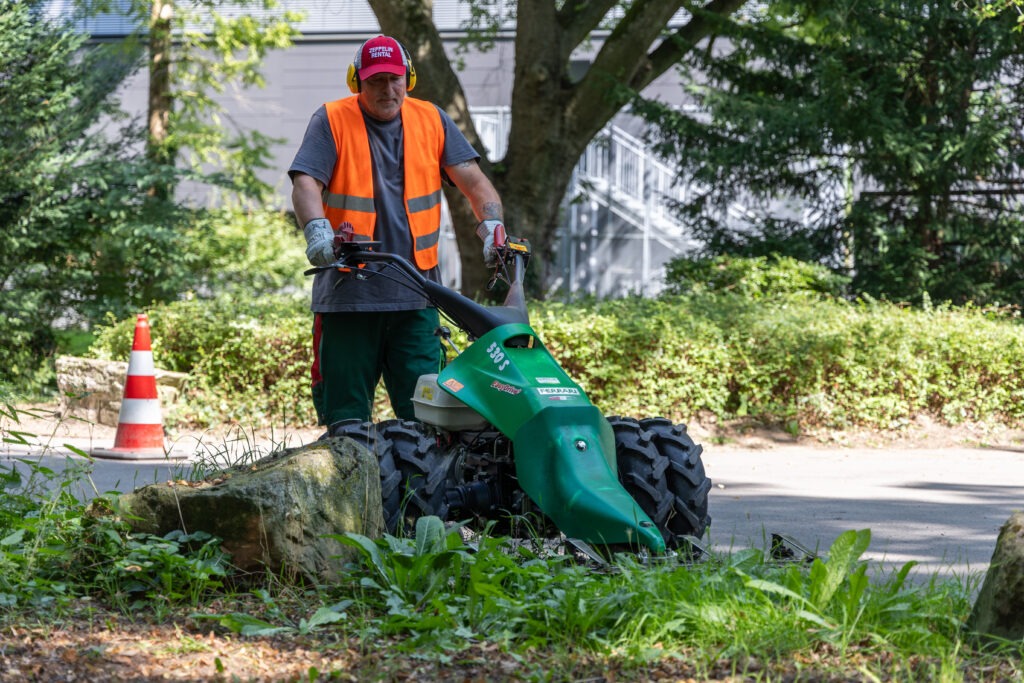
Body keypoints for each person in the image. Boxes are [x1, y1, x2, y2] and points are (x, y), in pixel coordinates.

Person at [289, 34, 504, 431]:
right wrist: (317, 231)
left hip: (417, 297)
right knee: (346, 425)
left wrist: (491, 225)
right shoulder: (331, 118)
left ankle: (420, 494)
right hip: (349, 296)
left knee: (431, 426)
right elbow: (305, 184)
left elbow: (475, 183)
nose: (387, 89)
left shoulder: (431, 119)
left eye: (395, 78)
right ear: (358, 81)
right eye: (376, 80)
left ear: (409, 77)